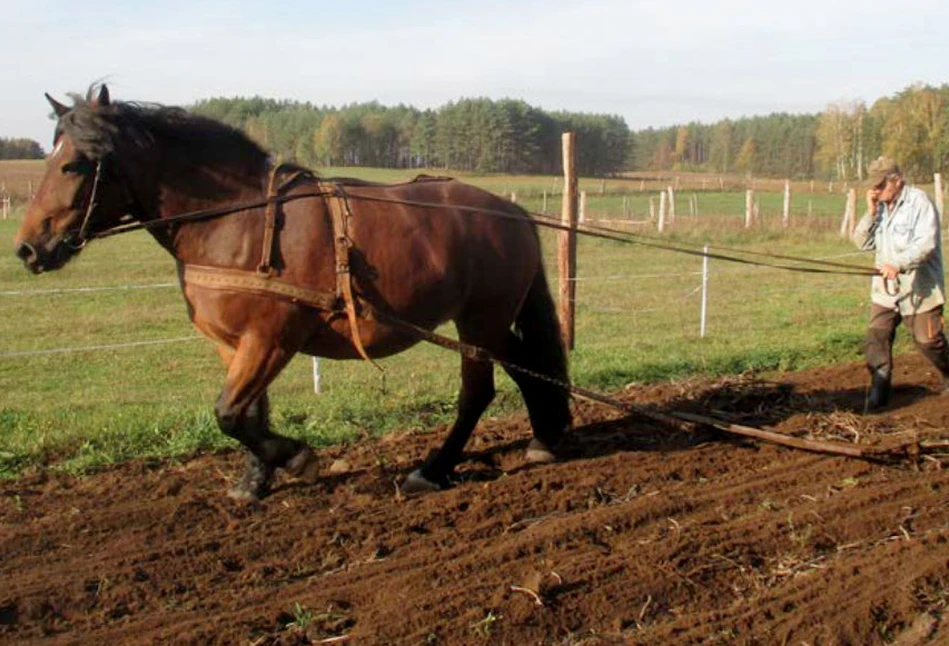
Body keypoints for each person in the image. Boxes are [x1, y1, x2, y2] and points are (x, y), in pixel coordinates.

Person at [851, 156, 949, 410]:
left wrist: (899, 263)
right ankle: (879, 387)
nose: (876, 190)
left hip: (919, 288)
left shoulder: (920, 203)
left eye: (880, 185)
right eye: (873, 186)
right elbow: (861, 242)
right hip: (885, 290)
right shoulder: (880, 206)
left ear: (896, 180)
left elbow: (926, 244)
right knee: (877, 336)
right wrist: (871, 213)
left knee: (929, 341)